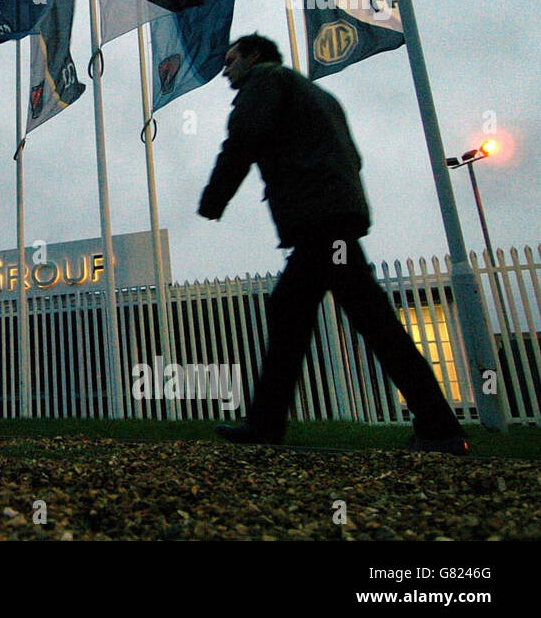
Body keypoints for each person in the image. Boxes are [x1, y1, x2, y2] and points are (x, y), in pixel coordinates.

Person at [198, 33, 468, 455]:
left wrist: (214, 198)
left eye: (231, 61)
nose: (226, 71)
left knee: (352, 320)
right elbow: (352, 158)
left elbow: (244, 138)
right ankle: (436, 425)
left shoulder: (265, 82)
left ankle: (437, 426)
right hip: (334, 218)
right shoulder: (317, 95)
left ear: (253, 57)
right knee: (320, 314)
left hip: (318, 221)